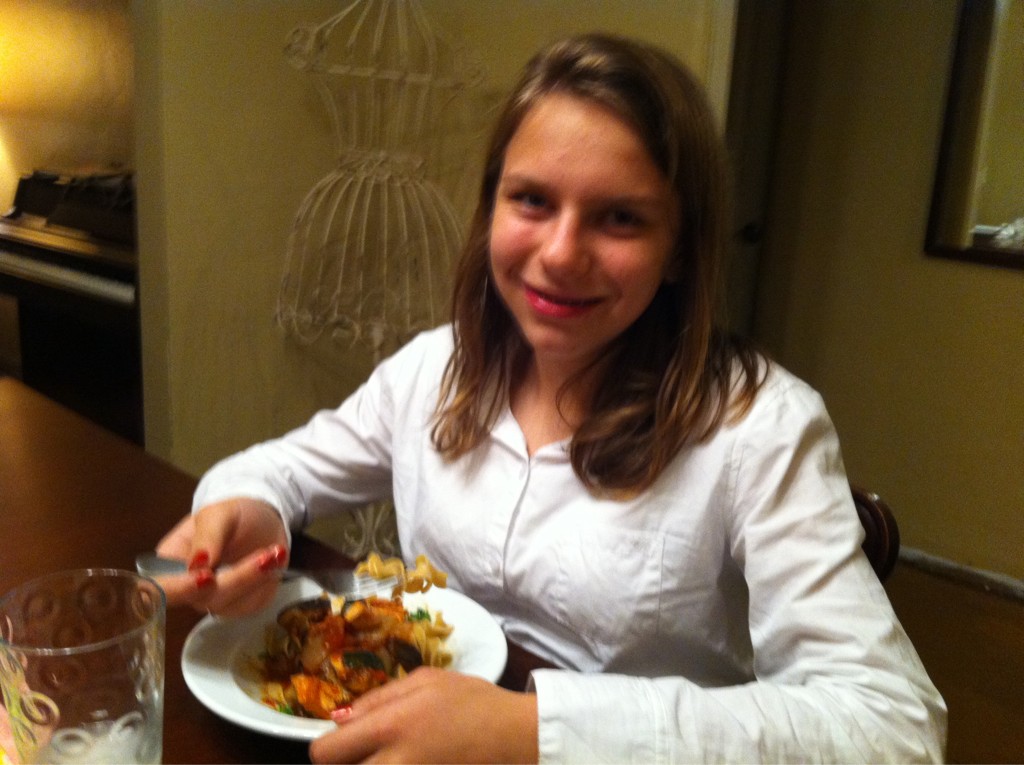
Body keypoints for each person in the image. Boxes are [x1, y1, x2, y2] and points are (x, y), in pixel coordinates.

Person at [156, 33, 946, 763]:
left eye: (621, 218)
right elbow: (283, 470)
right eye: (531, 200)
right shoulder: (436, 368)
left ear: (679, 249)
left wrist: (533, 730)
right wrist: (249, 509)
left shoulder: (762, 427)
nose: (561, 254)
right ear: (490, 207)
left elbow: (895, 724)